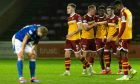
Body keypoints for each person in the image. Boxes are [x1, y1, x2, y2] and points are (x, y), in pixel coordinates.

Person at [63, 3, 92, 76]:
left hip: (76, 39)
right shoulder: (69, 17)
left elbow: (80, 28)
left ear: (72, 8)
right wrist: (68, 35)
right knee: (66, 54)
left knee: (78, 56)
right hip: (69, 39)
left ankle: (88, 66)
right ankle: (67, 71)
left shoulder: (77, 16)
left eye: (68, 8)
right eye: (67, 8)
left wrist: (71, 34)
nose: (67, 10)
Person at [114, 0, 137, 80]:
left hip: (124, 36)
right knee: (120, 54)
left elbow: (123, 26)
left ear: (119, 5)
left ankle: (125, 75)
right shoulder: (128, 11)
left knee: (123, 55)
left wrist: (118, 37)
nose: (116, 8)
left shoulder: (123, 12)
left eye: (116, 6)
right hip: (128, 35)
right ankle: (131, 70)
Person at [81, 4, 97, 75]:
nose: (95, 11)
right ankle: (84, 69)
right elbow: (86, 28)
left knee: (93, 54)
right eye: (94, 10)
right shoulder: (84, 17)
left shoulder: (93, 17)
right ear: (90, 10)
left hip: (92, 38)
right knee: (85, 55)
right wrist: (94, 24)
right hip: (85, 38)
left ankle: (90, 67)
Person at [104, 6, 119, 74]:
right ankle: (108, 69)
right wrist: (105, 36)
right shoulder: (108, 19)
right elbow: (107, 30)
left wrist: (112, 37)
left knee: (117, 55)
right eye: (107, 10)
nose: (108, 12)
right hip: (108, 40)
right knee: (106, 52)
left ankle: (120, 69)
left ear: (113, 11)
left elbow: (118, 30)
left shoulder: (117, 19)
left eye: (109, 10)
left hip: (114, 40)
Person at [95, 5, 108, 74]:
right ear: (98, 11)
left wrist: (105, 35)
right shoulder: (95, 18)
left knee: (107, 53)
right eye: (100, 10)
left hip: (105, 38)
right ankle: (103, 69)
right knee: (100, 54)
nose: (101, 11)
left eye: (102, 10)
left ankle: (109, 68)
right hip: (98, 38)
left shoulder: (107, 18)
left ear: (104, 11)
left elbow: (109, 27)